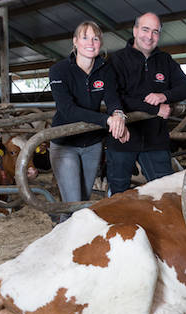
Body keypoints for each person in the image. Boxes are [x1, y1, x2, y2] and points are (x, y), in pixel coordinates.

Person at [108, 12, 186, 195]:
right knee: (118, 193)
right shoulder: (116, 60)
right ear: (135, 30)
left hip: (156, 139)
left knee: (167, 193)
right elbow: (115, 96)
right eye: (145, 29)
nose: (149, 36)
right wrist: (154, 108)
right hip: (123, 137)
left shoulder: (165, 60)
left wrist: (164, 95)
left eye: (155, 32)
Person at [49, 21, 129, 222]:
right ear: (75, 42)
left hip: (92, 143)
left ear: (100, 42)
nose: (91, 42)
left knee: (83, 201)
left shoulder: (105, 68)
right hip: (65, 143)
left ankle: (66, 235)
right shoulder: (59, 70)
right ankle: (64, 242)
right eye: (85, 37)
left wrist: (119, 115)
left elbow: (112, 98)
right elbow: (67, 110)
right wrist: (107, 120)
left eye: (95, 38)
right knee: (74, 204)